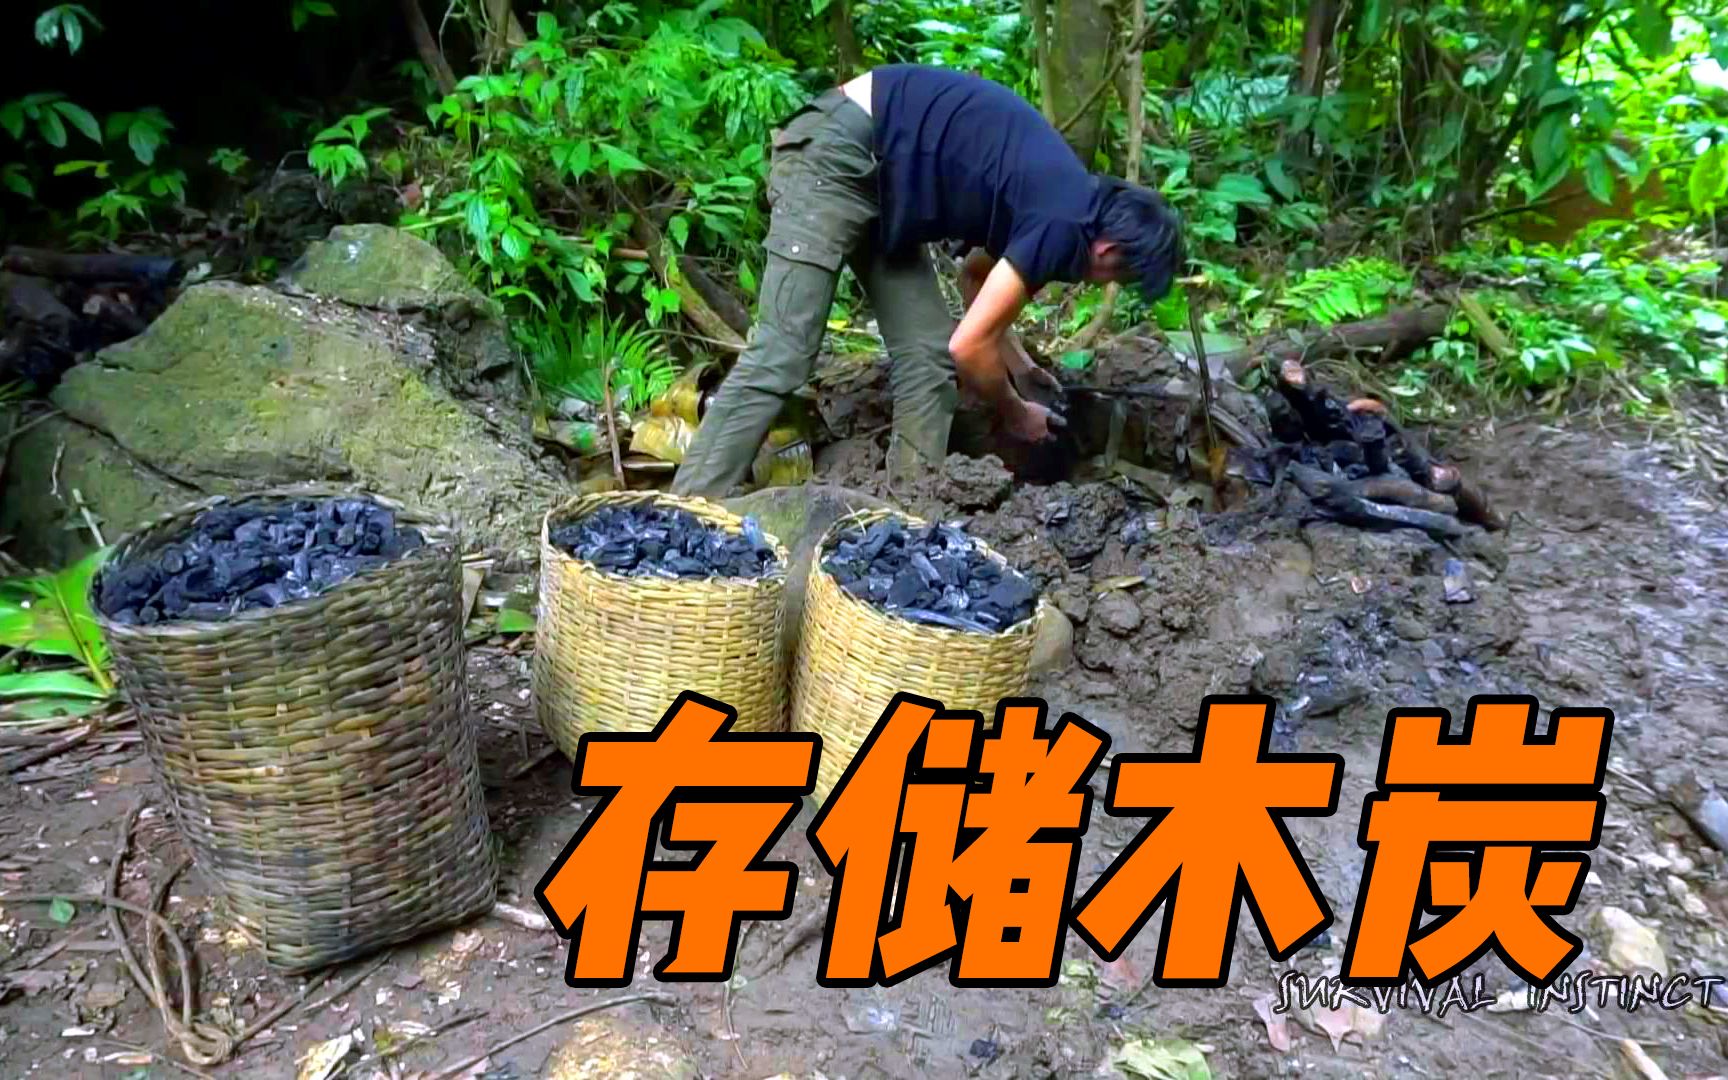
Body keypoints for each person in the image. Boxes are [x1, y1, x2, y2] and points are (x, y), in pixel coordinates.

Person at [669, 63, 1184, 498]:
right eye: (1118, 275)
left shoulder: (1065, 198)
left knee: (926, 358)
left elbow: (976, 276)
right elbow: (970, 346)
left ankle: (903, 526)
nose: (1100, 284)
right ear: (1110, 250)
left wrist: (1021, 368)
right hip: (839, 154)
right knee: (785, 352)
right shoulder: (1064, 223)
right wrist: (1014, 411)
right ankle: (683, 513)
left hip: (888, 195)